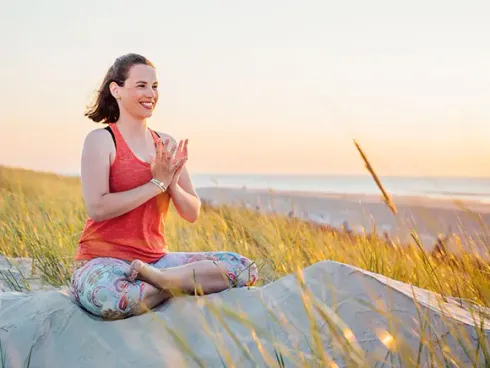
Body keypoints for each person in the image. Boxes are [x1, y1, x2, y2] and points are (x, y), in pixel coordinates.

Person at [71, 53, 258, 320]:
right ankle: (178, 284)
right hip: (103, 261)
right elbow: (98, 207)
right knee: (111, 299)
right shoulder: (101, 141)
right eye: (141, 85)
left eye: (155, 86)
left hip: (157, 262)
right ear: (116, 90)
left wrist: (171, 185)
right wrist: (157, 183)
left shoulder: (165, 144)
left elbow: (192, 212)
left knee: (243, 269)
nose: (151, 94)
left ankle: (163, 281)